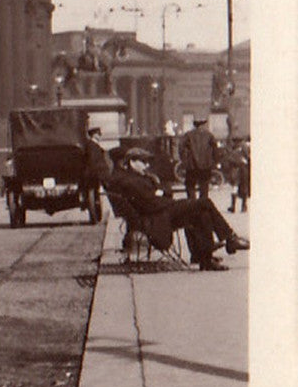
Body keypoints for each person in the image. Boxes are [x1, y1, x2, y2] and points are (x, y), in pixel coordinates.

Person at [104, 149, 247, 271]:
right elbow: (151, 204)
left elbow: (162, 193)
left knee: (201, 212)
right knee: (204, 202)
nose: (146, 165)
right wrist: (167, 199)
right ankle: (229, 238)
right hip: (156, 218)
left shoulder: (137, 178)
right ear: (131, 162)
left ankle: (205, 258)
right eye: (143, 161)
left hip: (160, 213)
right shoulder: (130, 181)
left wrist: (160, 194)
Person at [179, 115, 219, 201]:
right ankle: (202, 205)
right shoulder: (209, 135)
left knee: (190, 186)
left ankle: (192, 205)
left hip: (192, 165)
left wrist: (184, 161)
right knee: (204, 187)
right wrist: (214, 161)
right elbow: (215, 150)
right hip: (206, 165)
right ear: (203, 125)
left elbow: (181, 148)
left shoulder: (188, 135)